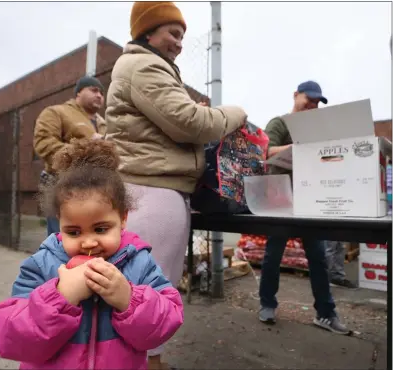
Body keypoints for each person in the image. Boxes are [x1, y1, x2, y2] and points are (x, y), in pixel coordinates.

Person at [105, 2, 248, 368]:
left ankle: (148, 360)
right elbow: (190, 123)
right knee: (147, 291)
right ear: (147, 32)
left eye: (182, 36)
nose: (179, 43)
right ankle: (142, 362)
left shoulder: (145, 66)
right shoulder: (142, 64)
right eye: (173, 33)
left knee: (145, 288)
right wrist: (234, 113)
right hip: (152, 191)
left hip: (153, 189)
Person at [0, 139, 184, 370]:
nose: (89, 242)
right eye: (73, 232)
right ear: (59, 223)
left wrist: (128, 298)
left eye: (101, 229)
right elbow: (14, 339)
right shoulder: (42, 264)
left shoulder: (139, 262)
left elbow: (167, 322)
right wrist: (60, 297)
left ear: (122, 219)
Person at [260, 81, 350, 335]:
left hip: (309, 199)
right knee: (273, 255)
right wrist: (297, 149)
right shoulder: (279, 123)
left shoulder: (318, 130)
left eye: (316, 102)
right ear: (295, 95)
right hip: (280, 199)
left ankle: (326, 313)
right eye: (308, 99)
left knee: (319, 258)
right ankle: (267, 303)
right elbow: (265, 151)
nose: (312, 105)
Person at [34, 76, 106, 236]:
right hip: (62, 187)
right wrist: (87, 149)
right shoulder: (56, 112)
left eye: (102, 93)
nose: (99, 95)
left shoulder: (103, 123)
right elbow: (44, 144)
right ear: (79, 92)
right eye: (94, 90)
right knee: (64, 243)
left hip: (97, 189)